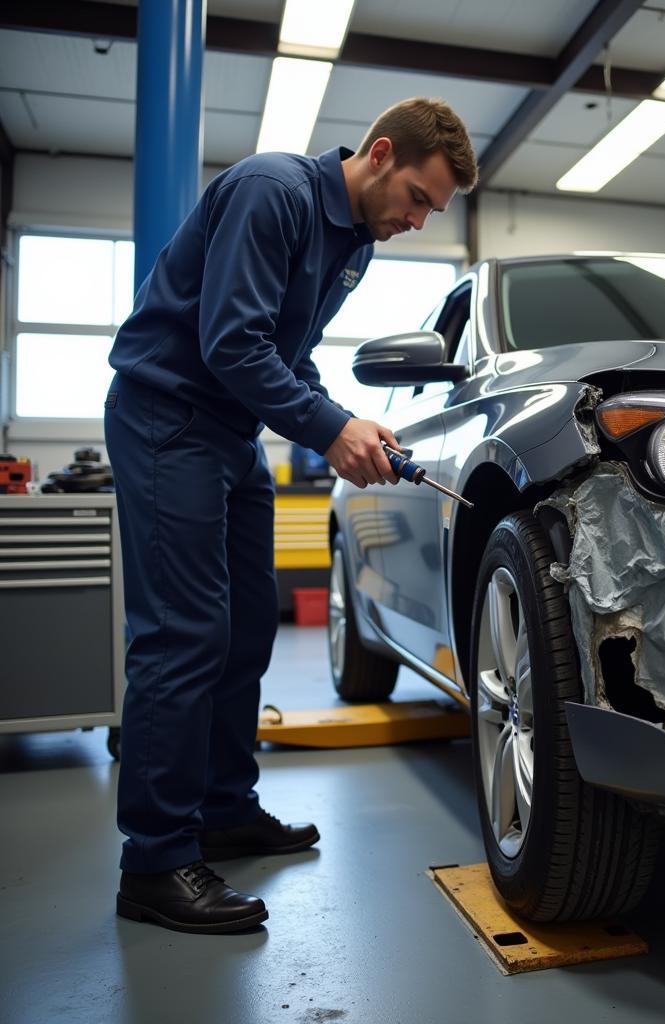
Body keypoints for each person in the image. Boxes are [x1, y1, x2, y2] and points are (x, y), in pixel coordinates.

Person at [104, 97, 478, 934]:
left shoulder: (353, 244)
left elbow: (287, 357)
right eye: (418, 198)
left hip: (231, 434)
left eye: (433, 211)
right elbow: (230, 343)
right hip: (167, 420)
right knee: (183, 632)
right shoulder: (272, 192)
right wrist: (328, 428)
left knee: (246, 630)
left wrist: (347, 417)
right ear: (380, 154)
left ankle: (225, 809)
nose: (418, 220)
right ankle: (155, 861)